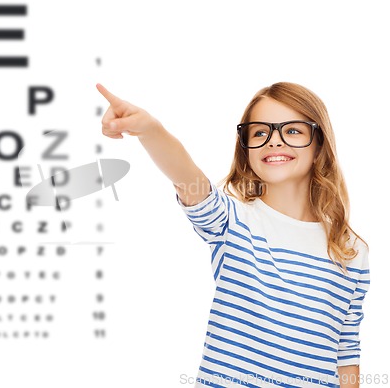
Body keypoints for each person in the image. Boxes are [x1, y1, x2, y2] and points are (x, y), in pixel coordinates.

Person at [96, 82, 370, 388]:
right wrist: (149, 129)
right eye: (259, 133)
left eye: (292, 131)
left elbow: (346, 352)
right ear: (246, 149)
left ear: (319, 144)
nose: (274, 141)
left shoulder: (351, 250)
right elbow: (187, 177)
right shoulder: (232, 221)